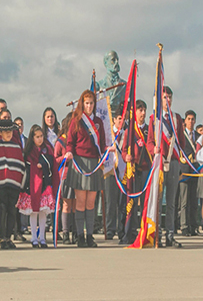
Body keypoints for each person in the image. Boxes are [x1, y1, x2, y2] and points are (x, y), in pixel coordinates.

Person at [63, 90, 115, 248]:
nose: (89, 106)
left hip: (94, 163)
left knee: (91, 202)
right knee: (80, 201)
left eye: (92, 103)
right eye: (86, 103)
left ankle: (90, 235)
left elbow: (102, 143)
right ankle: (80, 235)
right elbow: (70, 142)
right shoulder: (76, 120)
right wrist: (69, 152)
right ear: (82, 103)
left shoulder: (98, 122)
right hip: (79, 162)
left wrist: (108, 149)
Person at [146, 86, 187, 248]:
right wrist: (153, 150)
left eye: (169, 97)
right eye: (164, 97)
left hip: (174, 161)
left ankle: (170, 234)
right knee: (157, 199)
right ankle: (157, 234)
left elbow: (182, 142)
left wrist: (180, 155)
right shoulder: (154, 119)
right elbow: (149, 141)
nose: (167, 100)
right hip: (159, 162)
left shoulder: (176, 118)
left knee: (171, 201)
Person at [18, 125, 58, 247]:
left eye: (41, 136)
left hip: (44, 185)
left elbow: (52, 164)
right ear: (32, 137)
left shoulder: (47, 149)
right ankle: (34, 237)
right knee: (33, 212)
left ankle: (42, 238)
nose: (40, 139)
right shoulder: (28, 152)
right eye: (37, 137)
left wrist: (43, 165)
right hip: (32, 186)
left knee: (42, 212)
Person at [0, 119, 26, 249]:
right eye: (6, 131)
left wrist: (21, 183)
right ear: (0, 133)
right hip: (1, 184)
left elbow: (21, 164)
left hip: (14, 184)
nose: (9, 134)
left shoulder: (16, 146)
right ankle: (2, 237)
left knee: (12, 210)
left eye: (10, 131)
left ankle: (8, 237)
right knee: (2, 209)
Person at [121, 100, 150, 245]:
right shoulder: (129, 131)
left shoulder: (149, 130)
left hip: (146, 169)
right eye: (140, 110)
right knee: (131, 202)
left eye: (144, 110)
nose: (143, 113)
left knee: (146, 202)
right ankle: (130, 232)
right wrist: (125, 156)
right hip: (133, 170)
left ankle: (145, 231)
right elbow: (124, 149)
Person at [54, 113, 75, 244]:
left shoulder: (76, 140)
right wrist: (64, 158)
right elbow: (55, 160)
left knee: (75, 205)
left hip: (77, 175)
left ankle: (75, 232)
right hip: (65, 175)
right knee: (66, 204)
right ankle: (65, 232)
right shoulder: (61, 141)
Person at [178, 110, 199, 237]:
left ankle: (193, 225)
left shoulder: (198, 136)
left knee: (193, 200)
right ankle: (184, 226)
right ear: (185, 121)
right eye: (189, 119)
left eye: (192, 119)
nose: (191, 121)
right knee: (184, 201)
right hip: (185, 172)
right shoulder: (181, 136)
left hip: (196, 171)